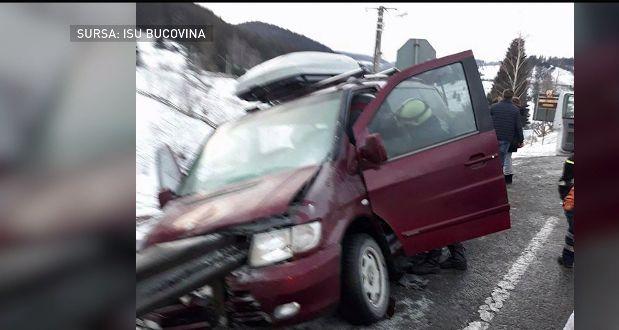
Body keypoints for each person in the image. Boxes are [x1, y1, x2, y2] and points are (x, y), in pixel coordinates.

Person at [489, 89, 524, 168]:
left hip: (493, 136)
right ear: (512, 97)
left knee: (491, 157)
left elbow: (487, 120)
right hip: (506, 138)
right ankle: (499, 175)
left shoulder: (493, 107)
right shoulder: (515, 110)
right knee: (501, 159)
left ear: (503, 95)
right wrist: (520, 140)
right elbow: (518, 126)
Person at [503, 96, 526, 184]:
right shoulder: (521, 112)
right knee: (508, 157)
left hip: (508, 137)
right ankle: (508, 176)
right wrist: (520, 140)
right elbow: (520, 128)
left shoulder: (512, 113)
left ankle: (508, 176)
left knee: (506, 158)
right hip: (515, 138)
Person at [558, 154, 575, 268]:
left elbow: (564, 181)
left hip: (573, 204)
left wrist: (565, 196)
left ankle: (567, 260)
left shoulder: (572, 159)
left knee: (573, 232)